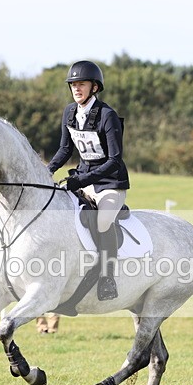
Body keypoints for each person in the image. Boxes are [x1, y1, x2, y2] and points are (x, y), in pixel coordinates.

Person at [47, 60, 130, 301]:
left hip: (109, 183)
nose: (76, 89)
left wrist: (83, 180)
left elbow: (114, 160)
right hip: (82, 179)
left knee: (103, 221)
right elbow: (64, 150)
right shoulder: (69, 112)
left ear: (95, 87)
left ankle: (107, 278)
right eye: (73, 85)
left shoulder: (108, 116)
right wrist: (47, 171)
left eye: (81, 84)